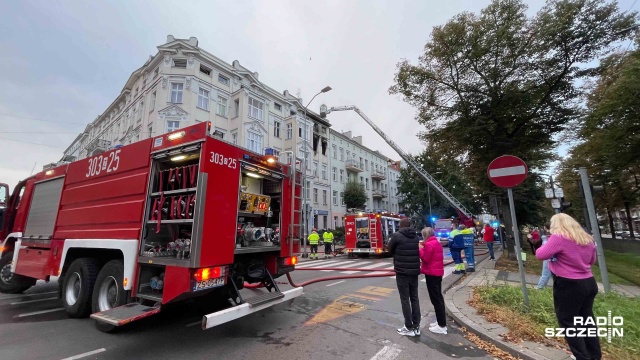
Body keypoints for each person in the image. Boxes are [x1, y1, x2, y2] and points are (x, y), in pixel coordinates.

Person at [536, 214, 600, 360]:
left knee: (568, 322)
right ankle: (594, 355)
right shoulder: (586, 238)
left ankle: (582, 357)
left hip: (568, 284)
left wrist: (546, 241)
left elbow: (540, 254)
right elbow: (592, 261)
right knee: (586, 320)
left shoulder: (559, 237)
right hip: (589, 282)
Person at [389, 218, 421, 337]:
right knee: (414, 298)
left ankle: (408, 327)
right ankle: (417, 326)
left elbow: (390, 250)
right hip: (414, 272)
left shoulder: (397, 236)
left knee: (405, 299)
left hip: (402, 272)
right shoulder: (416, 236)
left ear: (400, 226)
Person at [419, 227, 447, 335]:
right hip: (437, 273)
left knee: (436, 299)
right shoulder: (435, 242)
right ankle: (440, 322)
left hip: (432, 274)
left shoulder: (429, 245)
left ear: (425, 235)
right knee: (438, 298)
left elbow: (425, 258)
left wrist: (420, 249)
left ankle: (441, 326)